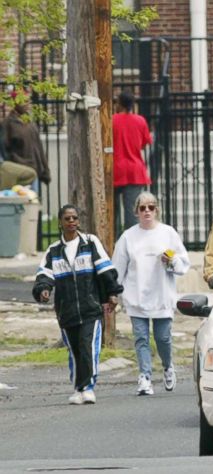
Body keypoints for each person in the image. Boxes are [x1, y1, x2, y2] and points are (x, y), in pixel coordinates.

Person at [33, 204, 123, 405]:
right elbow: (43, 276)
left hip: (91, 308)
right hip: (66, 311)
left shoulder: (90, 243)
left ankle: (88, 387)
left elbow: (105, 268)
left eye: (74, 218)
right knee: (74, 350)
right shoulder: (53, 251)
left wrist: (112, 294)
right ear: (60, 223)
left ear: (78, 222)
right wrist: (44, 290)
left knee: (88, 346)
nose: (72, 221)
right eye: (67, 219)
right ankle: (78, 388)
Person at [112, 192, 190, 396]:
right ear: (136, 211)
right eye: (142, 207)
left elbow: (183, 264)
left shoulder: (168, 233)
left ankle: (167, 366)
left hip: (161, 295)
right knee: (141, 338)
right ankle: (145, 376)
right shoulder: (128, 236)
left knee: (163, 338)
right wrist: (113, 292)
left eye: (151, 207)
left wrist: (171, 261)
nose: (147, 211)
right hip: (136, 296)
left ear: (157, 210)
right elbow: (118, 267)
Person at [112, 91, 153, 231]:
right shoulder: (140, 120)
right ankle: (131, 243)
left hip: (115, 169)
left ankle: (113, 244)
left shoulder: (112, 120)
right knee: (132, 211)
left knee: (112, 210)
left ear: (119, 104)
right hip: (135, 170)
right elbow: (145, 142)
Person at [3, 90, 51, 187]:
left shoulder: (30, 123)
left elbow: (39, 148)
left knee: (33, 200)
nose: (27, 103)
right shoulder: (7, 124)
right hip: (20, 175)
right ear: (15, 103)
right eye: (23, 101)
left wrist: (45, 170)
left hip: (35, 171)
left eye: (28, 100)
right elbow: (4, 151)